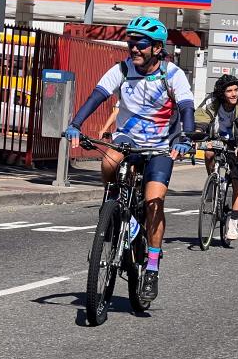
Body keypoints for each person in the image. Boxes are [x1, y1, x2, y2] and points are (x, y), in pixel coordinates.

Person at [64, 16, 195, 303]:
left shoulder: (173, 75)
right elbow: (97, 95)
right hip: (128, 139)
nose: (134, 48)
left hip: (161, 146)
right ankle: (113, 212)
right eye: (131, 41)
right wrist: (76, 124)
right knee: (108, 163)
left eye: (141, 43)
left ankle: (151, 267)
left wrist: (186, 136)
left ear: (157, 48)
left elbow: (186, 106)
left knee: (153, 202)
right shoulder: (122, 70)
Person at [194, 75, 238, 240]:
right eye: (229, 91)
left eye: (236, 90)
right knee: (208, 153)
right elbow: (201, 118)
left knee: (237, 180)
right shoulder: (212, 100)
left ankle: (233, 223)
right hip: (217, 139)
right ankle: (213, 182)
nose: (233, 94)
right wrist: (198, 135)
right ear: (221, 93)